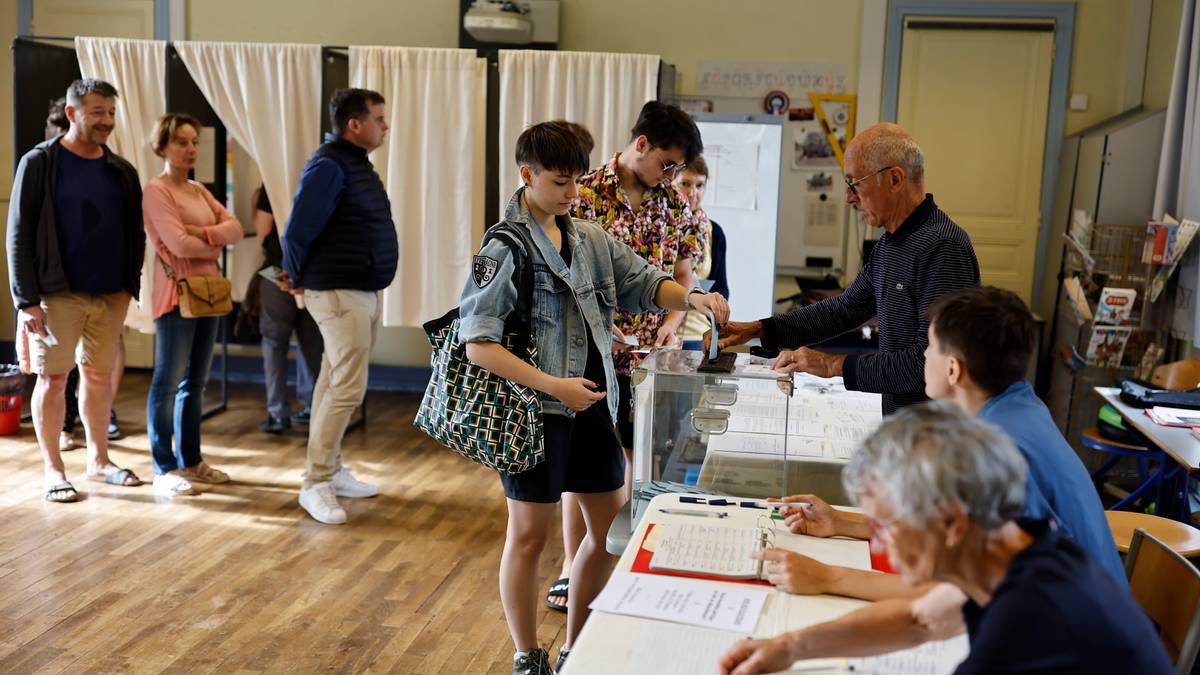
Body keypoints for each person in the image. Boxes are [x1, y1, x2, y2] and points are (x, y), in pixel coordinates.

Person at [728, 286, 1128, 664]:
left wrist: (827, 576)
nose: (922, 358)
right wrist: (843, 523)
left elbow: (944, 593)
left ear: (953, 369)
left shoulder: (994, 452)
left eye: (930, 349)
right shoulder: (1018, 409)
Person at [459, 120, 729, 675]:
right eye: (560, 183)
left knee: (609, 535)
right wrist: (554, 386)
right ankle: (526, 653)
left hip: (593, 409)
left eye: (577, 182)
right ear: (526, 175)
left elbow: (646, 282)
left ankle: (576, 647)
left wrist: (695, 299)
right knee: (529, 538)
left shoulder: (587, 236)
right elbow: (479, 346)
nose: (572, 195)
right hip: (536, 414)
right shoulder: (504, 246)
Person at [719, 403, 1173, 675]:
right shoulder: (1020, 547)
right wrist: (787, 647)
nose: (877, 546)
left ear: (953, 523)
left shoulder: (1023, 622)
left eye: (887, 526)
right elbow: (920, 620)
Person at [552, 101, 705, 612]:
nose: (672, 175)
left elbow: (683, 275)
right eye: (667, 163)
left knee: (642, 463)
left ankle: (620, 566)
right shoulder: (585, 194)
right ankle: (573, 571)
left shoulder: (674, 203)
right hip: (592, 355)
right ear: (641, 145)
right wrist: (601, 324)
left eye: (680, 168)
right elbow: (562, 275)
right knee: (588, 472)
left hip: (651, 358)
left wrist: (671, 323)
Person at [713, 123, 979, 414]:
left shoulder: (943, 247)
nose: (849, 197)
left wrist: (831, 364)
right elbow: (844, 309)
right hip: (904, 425)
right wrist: (759, 329)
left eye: (855, 184)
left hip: (938, 433)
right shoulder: (890, 245)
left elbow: (929, 363)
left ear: (894, 179)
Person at [8, 79, 146, 502]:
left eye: (111, 113)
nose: (106, 121)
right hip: (56, 292)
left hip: (110, 293)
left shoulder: (121, 170)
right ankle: (53, 469)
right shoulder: (39, 163)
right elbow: (18, 234)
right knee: (53, 377)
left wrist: (128, 285)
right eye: (97, 112)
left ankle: (98, 460)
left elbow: (134, 231)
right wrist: (26, 300)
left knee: (99, 376)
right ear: (72, 113)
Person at [281, 88, 398, 525]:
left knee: (334, 383)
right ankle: (315, 482)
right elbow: (296, 232)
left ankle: (329, 468)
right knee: (346, 387)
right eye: (379, 118)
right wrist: (295, 279)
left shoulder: (353, 164)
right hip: (337, 291)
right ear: (355, 124)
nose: (385, 126)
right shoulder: (330, 165)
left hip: (359, 291)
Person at [143, 112, 244, 496]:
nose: (190, 149)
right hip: (176, 295)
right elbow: (178, 245)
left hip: (208, 292)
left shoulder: (199, 191)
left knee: (196, 382)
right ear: (163, 146)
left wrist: (202, 233)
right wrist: (211, 239)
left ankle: (192, 460)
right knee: (167, 381)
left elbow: (234, 229)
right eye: (181, 142)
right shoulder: (157, 191)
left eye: (194, 142)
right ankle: (163, 467)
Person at [252, 185, 322, 434]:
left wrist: (255, 201)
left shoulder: (271, 181)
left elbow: (263, 228)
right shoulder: (321, 176)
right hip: (311, 271)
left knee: (274, 342)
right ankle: (313, 406)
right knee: (310, 341)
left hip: (275, 269)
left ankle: (277, 412)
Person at [673, 155, 728, 350]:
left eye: (699, 185)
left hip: (698, 331)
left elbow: (722, 287)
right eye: (685, 184)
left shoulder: (715, 232)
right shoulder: (659, 226)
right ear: (671, 182)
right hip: (661, 329)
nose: (692, 192)